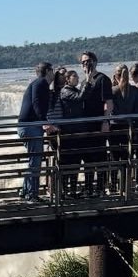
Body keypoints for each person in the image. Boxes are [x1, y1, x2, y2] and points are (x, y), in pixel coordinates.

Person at [78, 51, 113, 194]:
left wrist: (105, 121)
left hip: (98, 123)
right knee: (87, 158)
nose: (86, 64)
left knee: (100, 157)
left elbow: (109, 103)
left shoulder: (102, 79)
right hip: (85, 126)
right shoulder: (83, 82)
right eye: (83, 62)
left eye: (88, 61)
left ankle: (100, 188)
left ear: (95, 62)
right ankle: (88, 188)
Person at [17, 61, 52, 201]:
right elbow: (36, 102)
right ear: (48, 71)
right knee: (35, 161)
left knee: (34, 160)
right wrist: (44, 122)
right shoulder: (41, 83)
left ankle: (25, 191)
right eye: (52, 71)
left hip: (27, 126)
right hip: (30, 126)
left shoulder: (38, 83)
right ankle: (32, 194)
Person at [47, 67, 84, 195]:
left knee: (73, 160)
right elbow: (47, 113)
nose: (64, 76)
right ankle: (58, 190)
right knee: (60, 161)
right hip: (55, 132)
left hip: (68, 130)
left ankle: (70, 189)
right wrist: (49, 126)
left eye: (65, 74)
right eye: (61, 74)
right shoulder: (52, 93)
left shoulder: (68, 91)